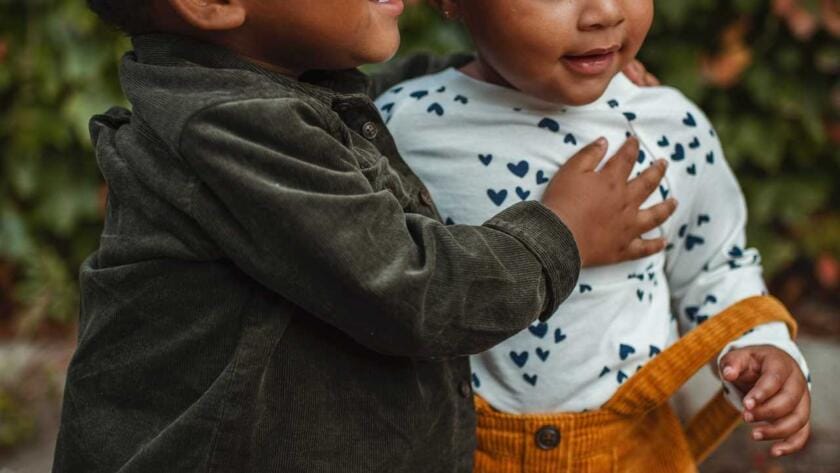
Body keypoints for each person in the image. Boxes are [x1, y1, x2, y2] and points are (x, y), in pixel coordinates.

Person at [52, 0, 675, 472]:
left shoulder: (267, 85)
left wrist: (504, 71)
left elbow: (367, 97)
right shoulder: (230, 131)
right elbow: (415, 291)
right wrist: (562, 231)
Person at [375, 0, 812, 470]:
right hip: (448, 447)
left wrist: (760, 345)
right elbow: (384, 283)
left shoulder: (667, 129)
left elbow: (714, 268)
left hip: (631, 451)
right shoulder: (402, 127)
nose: (603, 12)